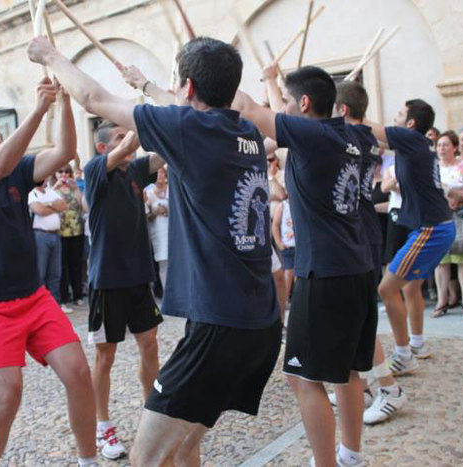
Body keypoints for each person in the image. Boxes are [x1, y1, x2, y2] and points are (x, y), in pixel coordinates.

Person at [28, 36, 281, 465]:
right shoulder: (246, 132)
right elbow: (181, 108)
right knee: (183, 449)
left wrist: (50, 55)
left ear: (187, 88)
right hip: (259, 322)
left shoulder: (187, 129)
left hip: (220, 326)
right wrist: (147, 86)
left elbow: (94, 97)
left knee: (147, 458)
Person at [233, 65, 377, 466]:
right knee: (347, 370)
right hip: (357, 267)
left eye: (290, 102)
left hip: (325, 273)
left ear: (306, 104)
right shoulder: (349, 134)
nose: (283, 108)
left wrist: (234, 85)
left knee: (303, 376)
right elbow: (281, 115)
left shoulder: (311, 135)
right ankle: (350, 455)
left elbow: (245, 106)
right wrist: (272, 81)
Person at [0, 83, 97, 466]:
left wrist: (62, 101)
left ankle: (88, 460)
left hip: (33, 297)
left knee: (79, 373)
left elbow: (64, 152)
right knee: (6, 396)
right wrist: (38, 107)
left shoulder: (20, 170)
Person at [81, 120, 163, 460]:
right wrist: (136, 118)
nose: (127, 143)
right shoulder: (95, 170)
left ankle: (152, 414)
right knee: (105, 355)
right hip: (107, 280)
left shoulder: (135, 171)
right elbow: (132, 142)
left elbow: (163, 154)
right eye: (117, 138)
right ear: (104, 148)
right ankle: (103, 426)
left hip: (138, 277)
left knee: (150, 344)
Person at [332, 80, 407, 426]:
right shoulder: (365, 138)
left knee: (358, 322)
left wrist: (272, 84)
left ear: (342, 111)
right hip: (361, 236)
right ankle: (360, 382)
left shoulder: (348, 138)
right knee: (356, 321)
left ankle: (388, 388)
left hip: (358, 238)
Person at [366, 100, 455, 376]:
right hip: (432, 226)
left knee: (386, 289)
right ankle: (416, 344)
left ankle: (404, 356)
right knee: (409, 287)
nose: (395, 117)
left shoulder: (410, 139)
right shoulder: (413, 144)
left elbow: (365, 125)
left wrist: (342, 107)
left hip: (431, 229)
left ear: (411, 124)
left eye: (400, 114)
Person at [433, 130, 463, 320]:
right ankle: (441, 301)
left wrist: (452, 192)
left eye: (445, 145)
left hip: (461, 217)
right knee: (440, 262)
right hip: (437, 218)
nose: (442, 148)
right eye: (439, 145)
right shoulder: (433, 167)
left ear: (454, 147)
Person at [28, 179, 67, 303]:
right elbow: (39, 210)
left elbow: (64, 205)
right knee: (41, 272)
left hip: (55, 235)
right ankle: (41, 303)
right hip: (40, 235)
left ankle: (56, 302)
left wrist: (46, 204)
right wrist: (54, 206)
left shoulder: (50, 192)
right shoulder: (32, 193)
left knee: (55, 273)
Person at [53, 165, 86, 307]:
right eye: (60, 171)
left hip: (76, 231)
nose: (64, 174)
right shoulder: (51, 189)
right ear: (55, 174)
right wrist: (55, 186)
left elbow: (83, 206)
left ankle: (78, 295)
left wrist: (76, 189)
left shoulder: (75, 189)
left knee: (76, 264)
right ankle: (64, 297)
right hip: (60, 232)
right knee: (62, 266)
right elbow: (47, 200)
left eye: (67, 171)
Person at [145, 166, 169, 287]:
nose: (160, 175)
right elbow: (147, 216)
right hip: (159, 234)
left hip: (174, 232)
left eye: (161, 172)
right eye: (157, 173)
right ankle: (166, 293)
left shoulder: (172, 190)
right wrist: (155, 212)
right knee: (163, 265)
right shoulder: (149, 193)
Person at [272, 198, 295, 313]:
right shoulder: (283, 206)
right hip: (288, 245)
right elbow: (275, 225)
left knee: (298, 274)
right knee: (288, 272)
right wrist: (279, 242)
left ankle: (295, 299)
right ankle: (285, 299)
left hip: (300, 246)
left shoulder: (299, 204)